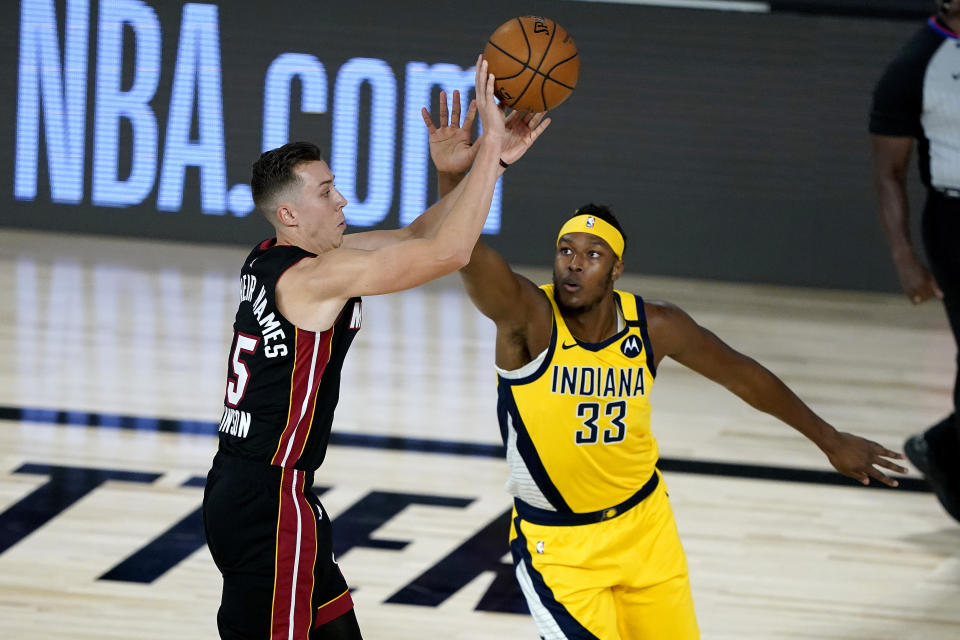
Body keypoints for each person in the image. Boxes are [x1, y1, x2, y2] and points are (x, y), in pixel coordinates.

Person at [423, 96, 908, 639]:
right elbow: (461, 251)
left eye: (591, 254)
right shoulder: (528, 320)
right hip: (559, 549)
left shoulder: (655, 325)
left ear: (617, 269)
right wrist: (455, 180)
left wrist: (829, 438)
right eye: (565, 250)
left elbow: (742, 375)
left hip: (645, 530)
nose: (574, 264)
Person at [201, 57, 550, 640]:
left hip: (268, 492)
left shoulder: (279, 256)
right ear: (289, 212)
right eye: (326, 191)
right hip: (268, 503)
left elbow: (420, 237)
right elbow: (448, 255)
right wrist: (490, 147)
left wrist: (471, 171)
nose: (341, 200)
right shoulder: (312, 280)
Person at [869, 0, 960, 523]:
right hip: (955, 224)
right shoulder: (914, 66)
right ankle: (944, 450)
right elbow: (889, 173)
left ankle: (941, 446)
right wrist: (905, 258)